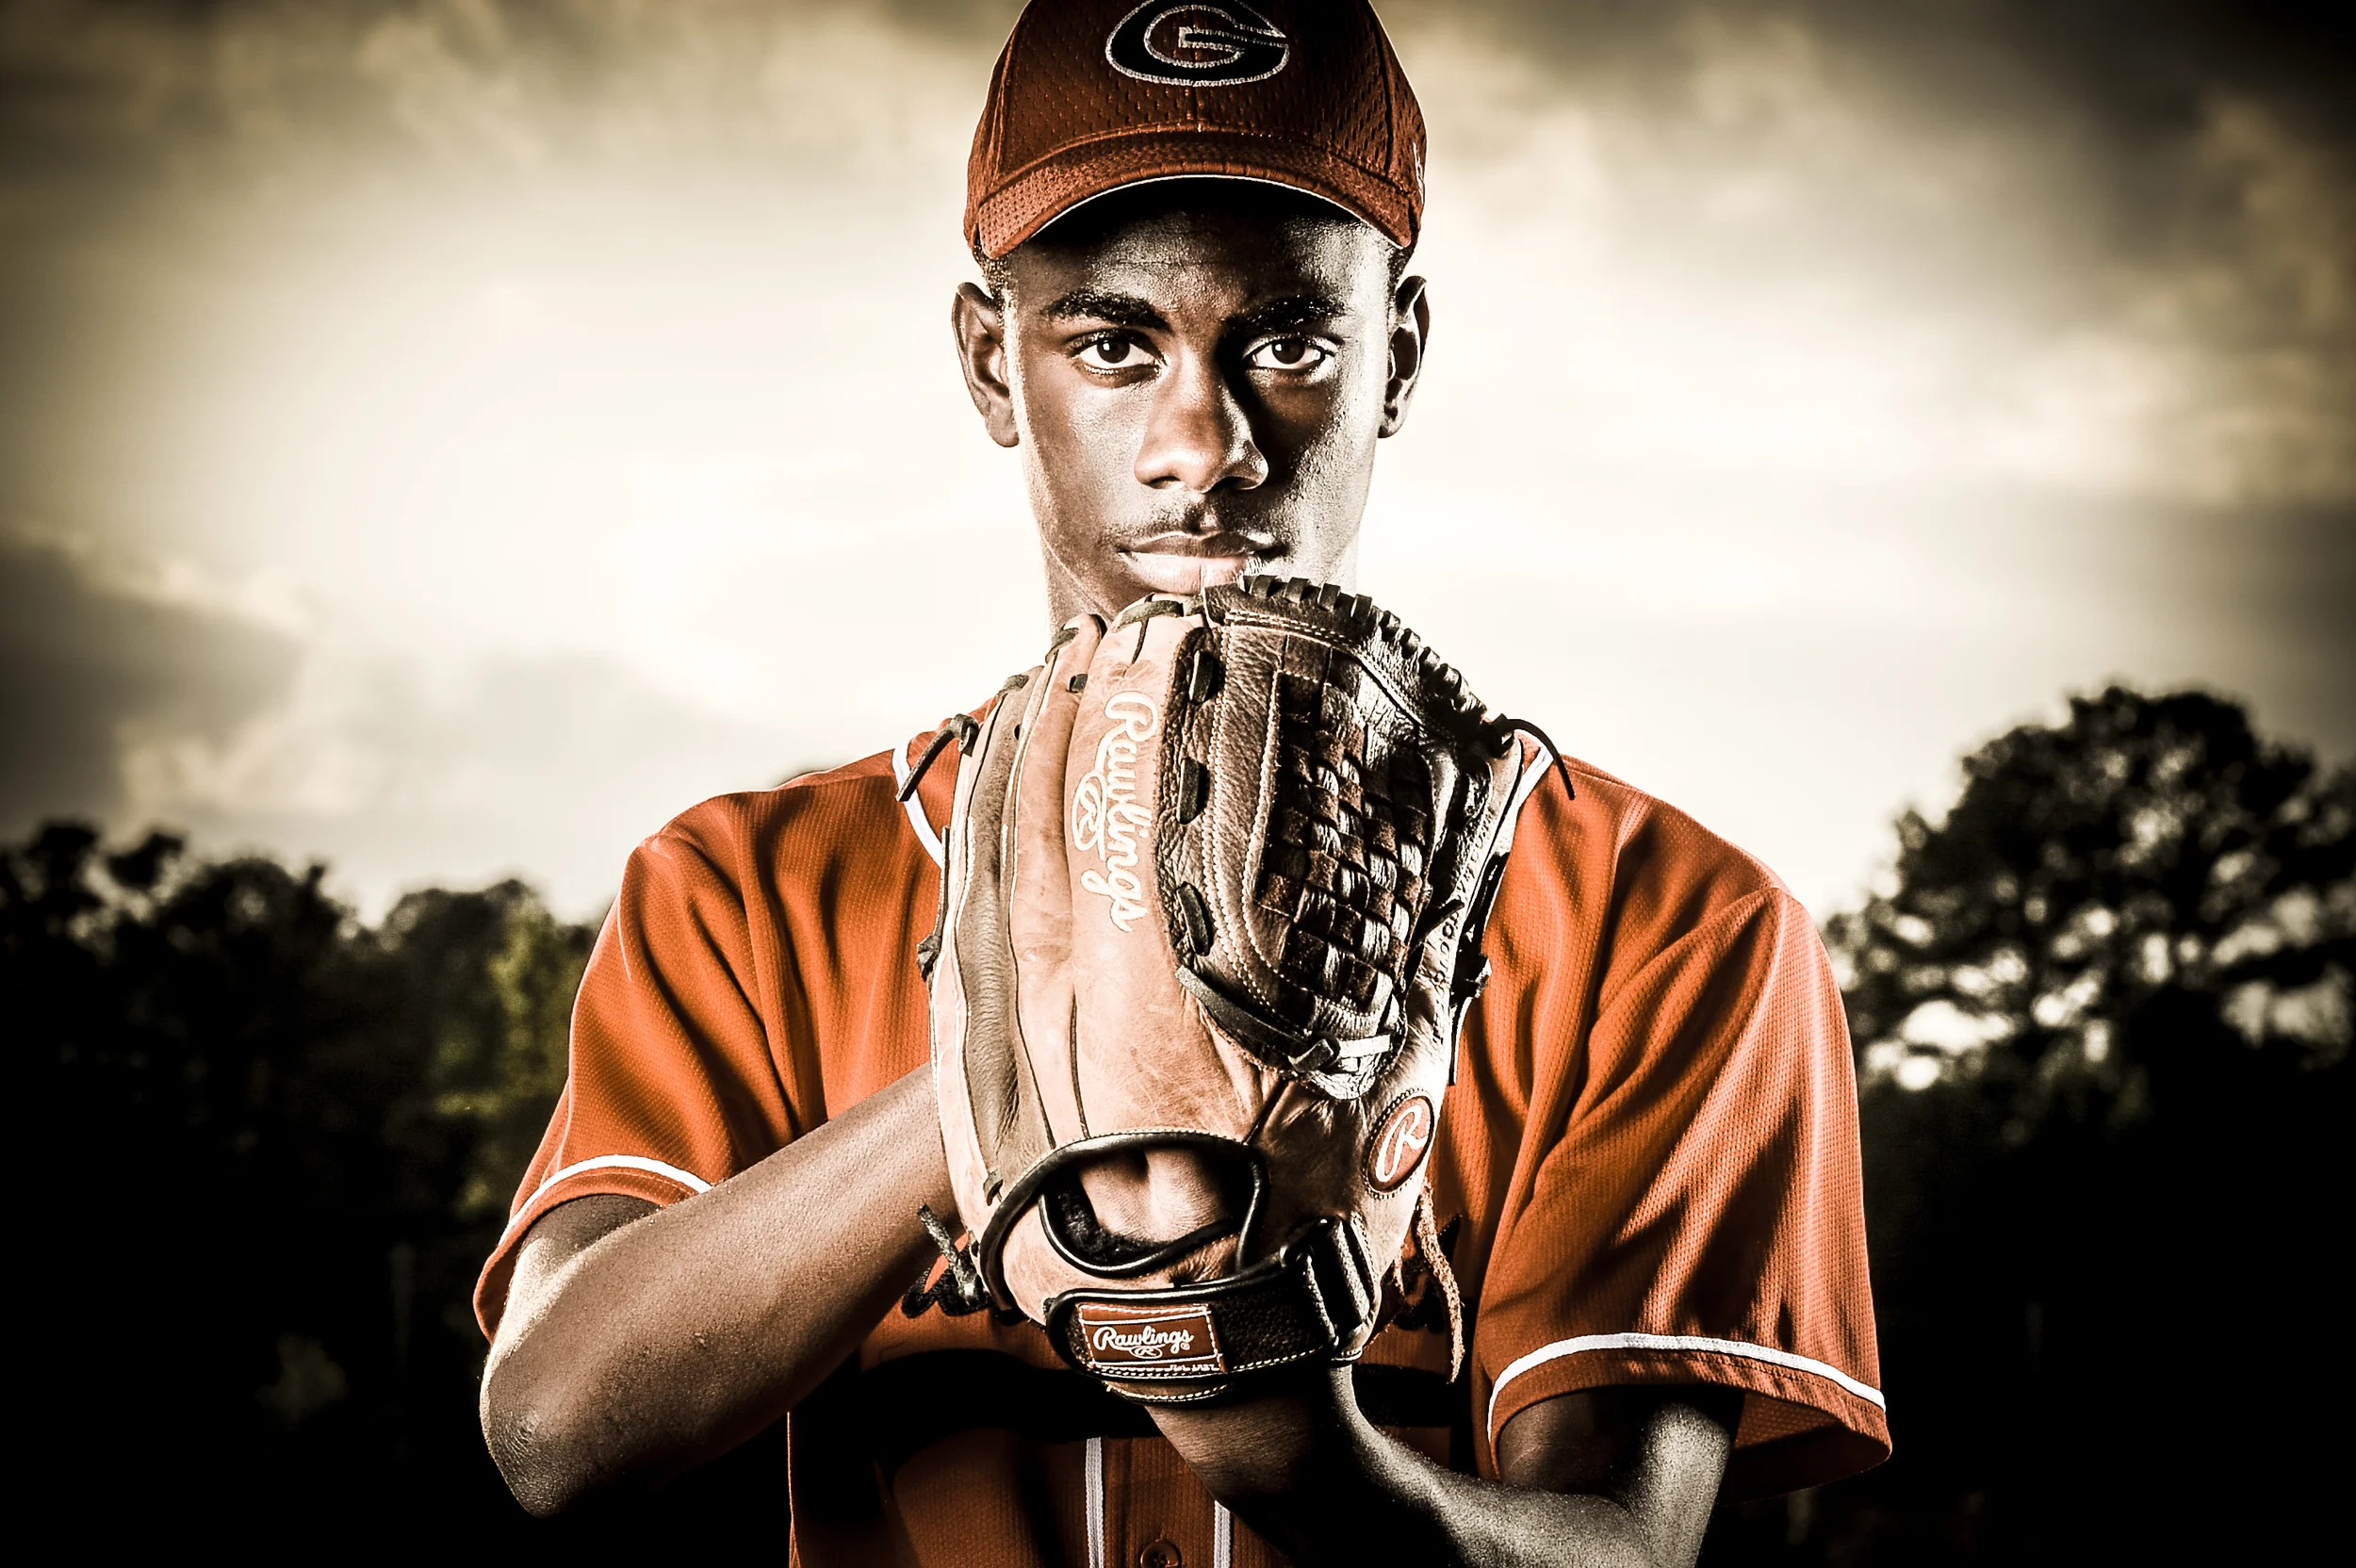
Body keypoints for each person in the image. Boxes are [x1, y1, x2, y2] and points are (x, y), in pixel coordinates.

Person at [474, 4, 1889, 1563]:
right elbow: (554, 1430)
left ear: (1395, 360)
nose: (1203, 441)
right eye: (1112, 341)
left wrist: (1288, 1450)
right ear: (990, 365)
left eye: (1289, 341)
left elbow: (1624, 1549)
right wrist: (1007, 1081)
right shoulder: (753, 887)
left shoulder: (1668, 920)